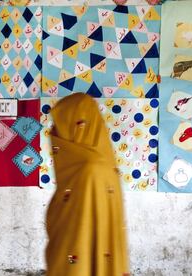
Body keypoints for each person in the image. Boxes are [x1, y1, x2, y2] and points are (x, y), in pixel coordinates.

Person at [45, 93, 129, 276]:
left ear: (76, 127)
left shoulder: (88, 169)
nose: (54, 131)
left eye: (60, 125)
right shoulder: (104, 161)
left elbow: (76, 231)